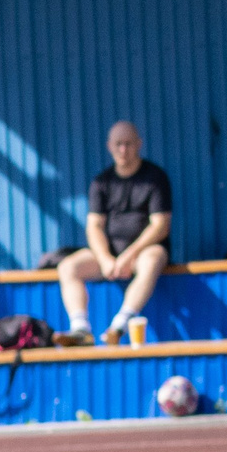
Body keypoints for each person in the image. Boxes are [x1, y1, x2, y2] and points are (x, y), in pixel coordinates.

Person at [56, 121, 172, 346]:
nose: (123, 150)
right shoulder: (101, 182)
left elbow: (160, 226)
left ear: (139, 144)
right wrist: (105, 259)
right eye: (118, 144)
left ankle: (120, 325)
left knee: (154, 257)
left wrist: (128, 256)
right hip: (109, 257)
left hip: (141, 254)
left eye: (128, 144)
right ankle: (80, 329)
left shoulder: (155, 178)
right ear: (109, 146)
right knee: (67, 266)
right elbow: (94, 226)